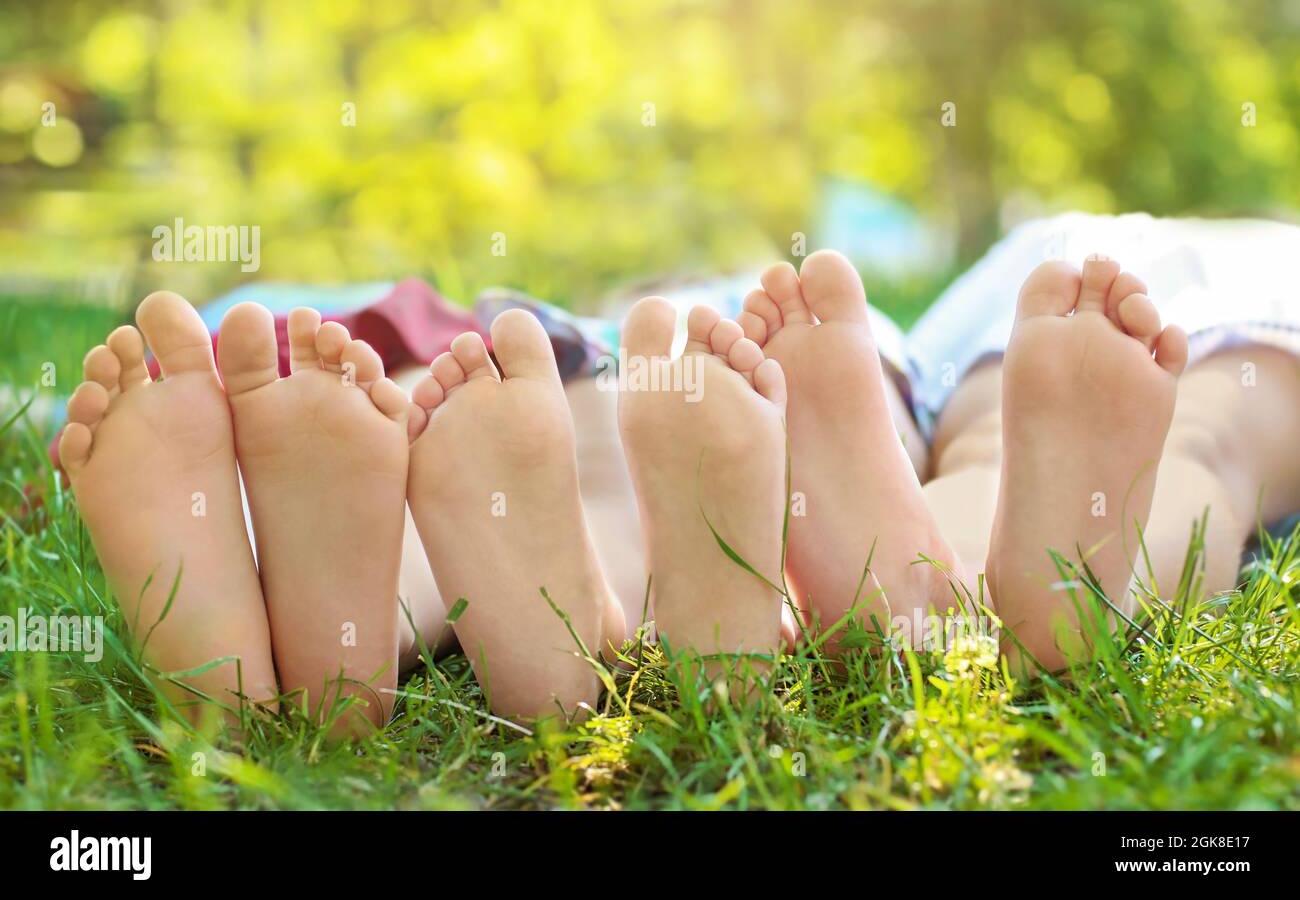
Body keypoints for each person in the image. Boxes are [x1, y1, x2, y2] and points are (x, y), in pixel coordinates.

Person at [56, 212, 1300, 728]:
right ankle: (949, 579)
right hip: (1251, 310)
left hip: (973, 304)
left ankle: (361, 627)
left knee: (590, 462)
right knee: (1192, 441)